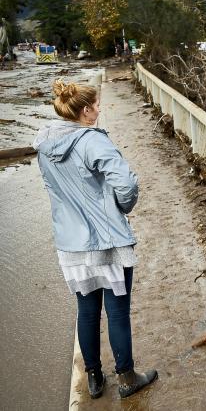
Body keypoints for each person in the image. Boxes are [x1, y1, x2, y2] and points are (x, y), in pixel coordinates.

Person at [32, 79, 157, 400]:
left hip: (70, 246)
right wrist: (121, 209)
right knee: (117, 312)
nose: (100, 109)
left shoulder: (45, 146)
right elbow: (127, 186)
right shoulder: (92, 141)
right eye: (97, 105)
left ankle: (94, 377)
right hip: (106, 242)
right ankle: (128, 377)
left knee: (86, 312)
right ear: (86, 111)